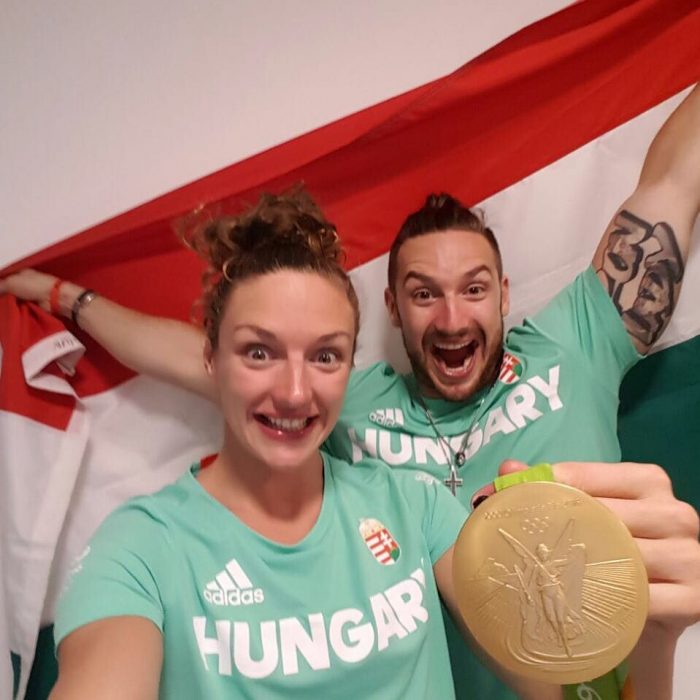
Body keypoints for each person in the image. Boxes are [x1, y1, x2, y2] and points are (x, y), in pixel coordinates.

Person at [5, 86, 700, 699]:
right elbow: (194, 356)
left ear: (506, 297)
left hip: (586, 666)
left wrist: (653, 644)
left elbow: (674, 182)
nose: (453, 317)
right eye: (424, 294)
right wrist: (70, 297)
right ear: (394, 309)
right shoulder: (348, 406)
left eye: (475, 290)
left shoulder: (571, 344)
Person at [47, 189, 553, 699]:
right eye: (259, 352)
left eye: (325, 357)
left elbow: (548, 674)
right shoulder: (143, 547)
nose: (293, 392)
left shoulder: (414, 505)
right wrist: (66, 297)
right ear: (210, 358)